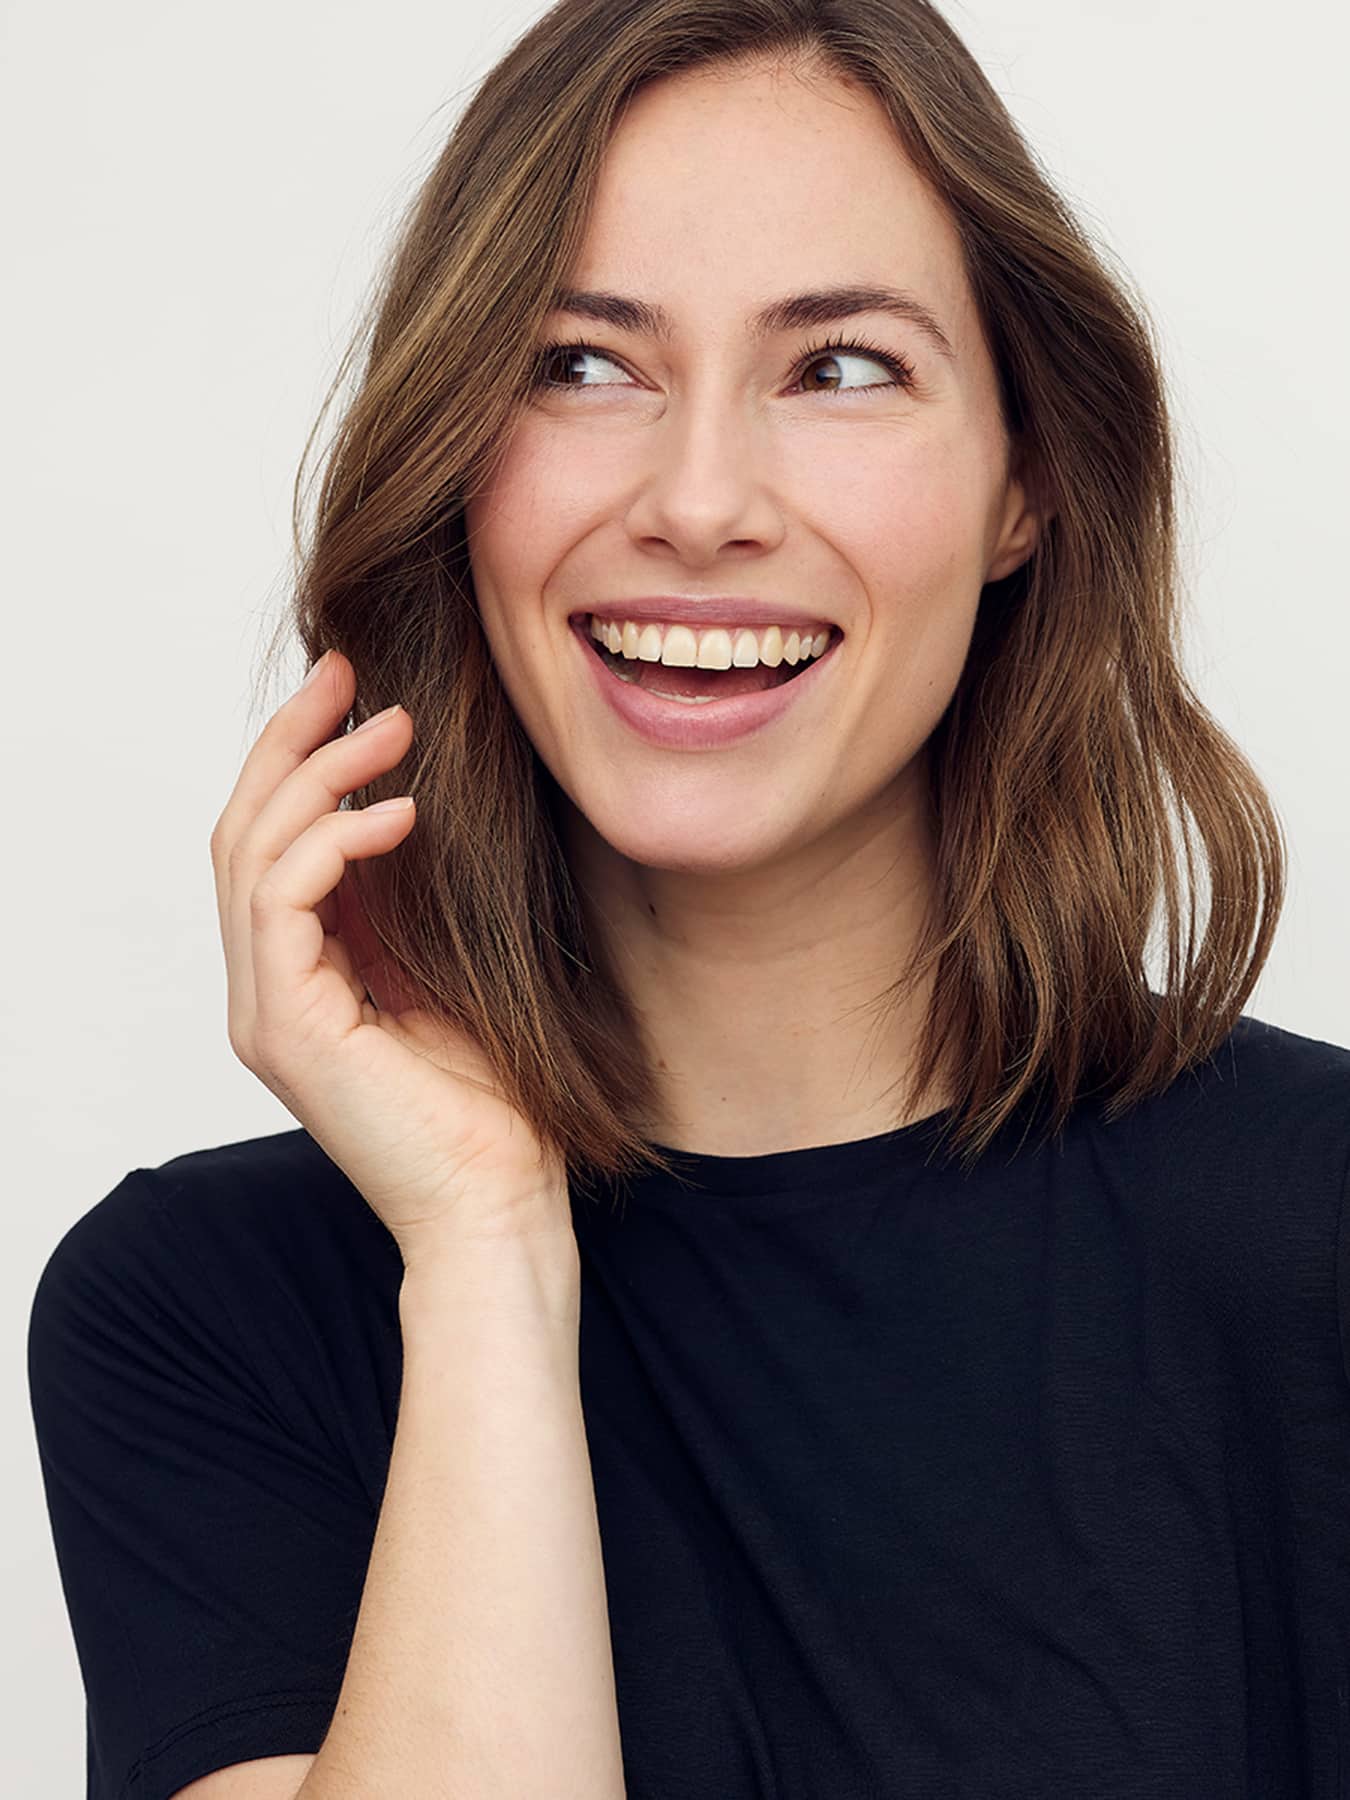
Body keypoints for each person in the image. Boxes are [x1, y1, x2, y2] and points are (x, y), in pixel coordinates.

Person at [27, 0, 1350, 1795]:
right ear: (454, 467)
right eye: (580, 366)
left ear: (1026, 483)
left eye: (842, 368)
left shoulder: (1308, 1236)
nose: (701, 500)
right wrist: (484, 1250)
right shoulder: (202, 1312)